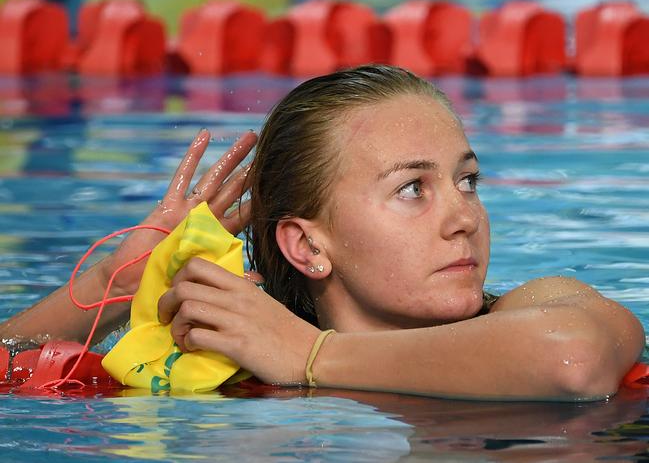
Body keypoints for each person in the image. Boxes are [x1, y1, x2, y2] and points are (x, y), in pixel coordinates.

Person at [1, 65, 644, 400]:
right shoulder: (223, 368)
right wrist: (112, 288)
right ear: (308, 246)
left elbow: (572, 360)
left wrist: (310, 358)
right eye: (412, 189)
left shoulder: (536, 306)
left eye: (466, 181)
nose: (465, 217)